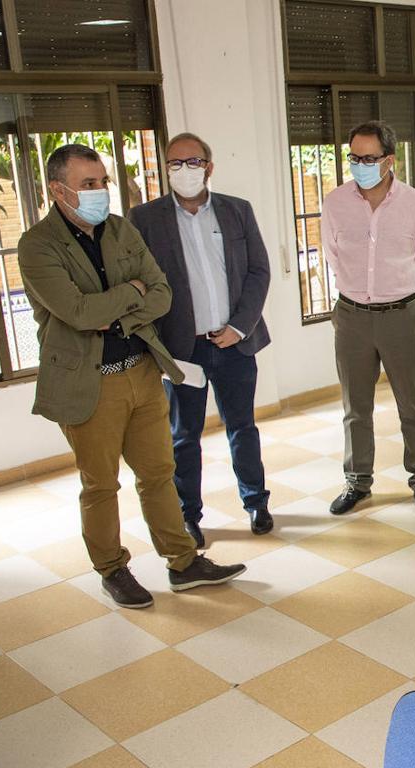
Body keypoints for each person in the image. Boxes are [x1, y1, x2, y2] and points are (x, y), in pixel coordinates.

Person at [18, 144, 246, 609]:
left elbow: (161, 293)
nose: (100, 191)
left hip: (142, 371)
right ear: (57, 190)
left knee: (159, 473)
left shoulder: (120, 229)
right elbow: (79, 312)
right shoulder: (37, 245)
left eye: (102, 181)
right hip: (89, 382)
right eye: (88, 184)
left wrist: (118, 309)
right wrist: (130, 294)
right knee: (101, 484)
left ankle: (183, 562)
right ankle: (113, 569)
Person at [128, 133, 273, 548]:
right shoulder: (145, 219)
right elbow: (142, 285)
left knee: (242, 427)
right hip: (182, 350)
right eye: (174, 163)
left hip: (234, 342)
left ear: (208, 166)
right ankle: (188, 516)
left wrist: (239, 327)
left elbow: (258, 273)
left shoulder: (237, 211)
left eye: (191, 162)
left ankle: (256, 502)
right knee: (183, 436)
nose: (183, 170)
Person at [321, 120, 415, 517]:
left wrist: (396, 289)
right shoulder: (335, 202)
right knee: (356, 407)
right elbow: (332, 255)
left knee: (413, 404)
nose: (359, 164)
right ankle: (357, 480)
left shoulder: (414, 204)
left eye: (368, 158)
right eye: (353, 157)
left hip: (400, 316)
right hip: (351, 316)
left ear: (389, 160)